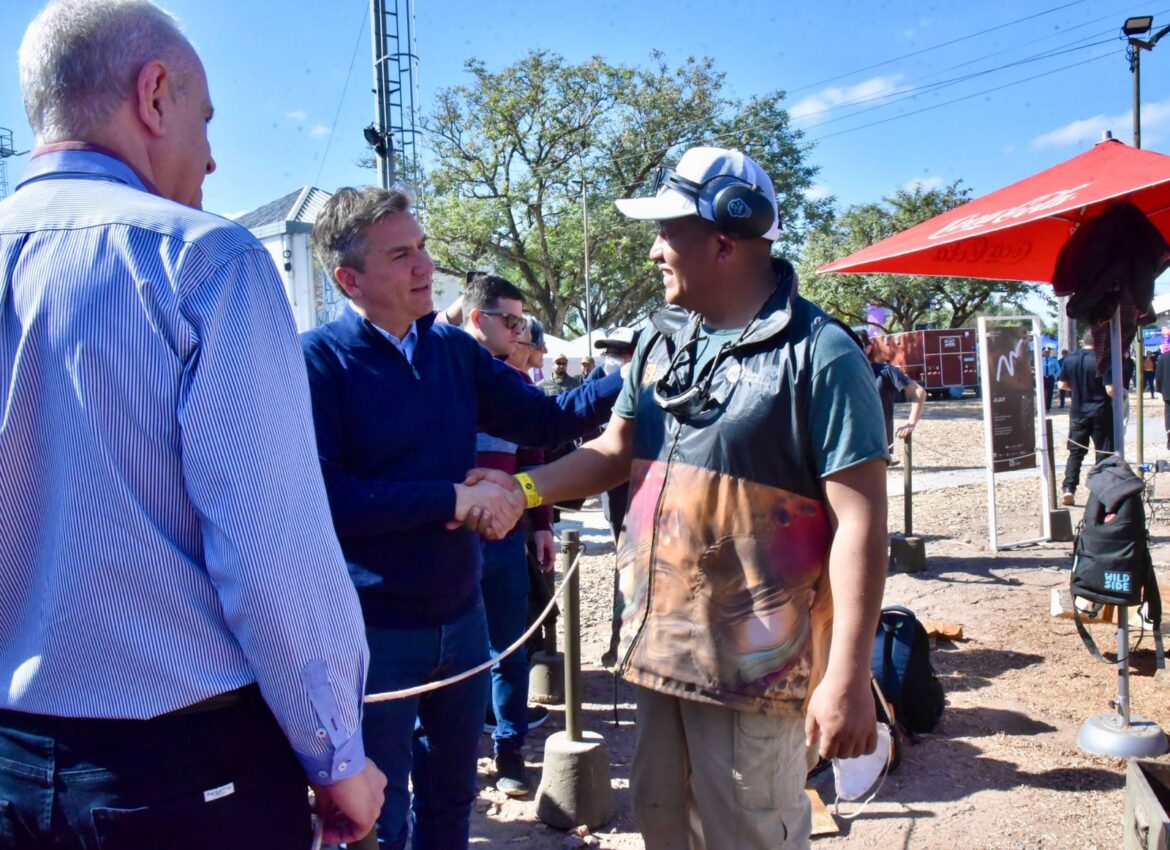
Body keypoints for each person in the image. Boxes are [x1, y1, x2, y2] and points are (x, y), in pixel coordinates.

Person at [0, 2, 385, 847]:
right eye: (205, 121)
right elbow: (270, 546)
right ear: (154, 95)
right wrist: (339, 754)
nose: (211, 157)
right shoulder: (204, 260)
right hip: (181, 768)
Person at [512, 146, 889, 850]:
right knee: (662, 826)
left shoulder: (821, 353)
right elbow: (615, 450)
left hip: (755, 677)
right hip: (659, 656)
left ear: (724, 238)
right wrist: (522, 488)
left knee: (750, 836)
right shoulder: (658, 341)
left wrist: (849, 675)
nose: (654, 251)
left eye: (667, 232)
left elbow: (861, 523)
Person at [301, 185, 621, 848]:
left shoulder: (451, 350)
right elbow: (327, 502)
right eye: (402, 254)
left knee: (452, 801)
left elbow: (547, 418)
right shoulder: (317, 362)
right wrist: (453, 498)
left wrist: (635, 373)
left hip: (460, 617)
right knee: (375, 819)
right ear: (348, 279)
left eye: (422, 248)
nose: (426, 266)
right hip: (371, 634)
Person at [460, 275, 555, 796]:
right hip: (449, 544)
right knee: (455, 652)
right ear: (480, 320)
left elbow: (534, 452)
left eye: (523, 322)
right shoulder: (442, 378)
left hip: (506, 542)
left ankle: (510, 751)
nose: (521, 333)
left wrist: (540, 526)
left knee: (510, 646)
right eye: (512, 321)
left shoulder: (519, 388)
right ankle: (455, 756)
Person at [1059, 329, 1115, 506]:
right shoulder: (1102, 360)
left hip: (1077, 412)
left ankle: (1069, 488)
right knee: (1103, 453)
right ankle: (1099, 491)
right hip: (1100, 411)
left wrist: (1077, 389)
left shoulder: (1070, 359)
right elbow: (1110, 389)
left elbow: (1062, 384)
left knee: (1075, 453)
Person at [864, 338, 927, 453]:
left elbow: (919, 392)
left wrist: (910, 424)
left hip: (878, 446)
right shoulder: (843, 374)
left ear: (868, 349)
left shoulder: (885, 371)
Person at [1157, 347, 1170, 450]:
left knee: (1169, 418)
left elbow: (1158, 377)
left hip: (1168, 392)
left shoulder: (1163, 357)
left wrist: (1160, 390)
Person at [1042, 348, 1062, 412]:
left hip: (1051, 378)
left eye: (1048, 352)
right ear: (1043, 352)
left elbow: (1058, 370)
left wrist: (1054, 377)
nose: (1046, 353)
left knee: (1050, 393)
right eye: (1045, 352)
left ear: (1050, 353)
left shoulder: (1054, 360)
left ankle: (1048, 407)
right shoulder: (1040, 360)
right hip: (1043, 378)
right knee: (1042, 393)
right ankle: (1043, 407)